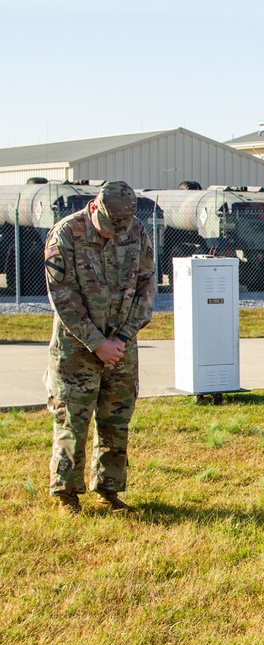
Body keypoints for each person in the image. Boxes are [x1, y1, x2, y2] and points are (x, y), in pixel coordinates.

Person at [44, 181, 156, 516]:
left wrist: (120, 340)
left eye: (118, 230)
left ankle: (108, 490)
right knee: (72, 421)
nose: (113, 235)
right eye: (107, 228)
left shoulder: (135, 231)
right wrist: (97, 343)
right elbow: (62, 296)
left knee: (116, 420)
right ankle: (66, 495)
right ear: (94, 207)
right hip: (76, 348)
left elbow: (147, 288)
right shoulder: (65, 234)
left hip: (120, 347)